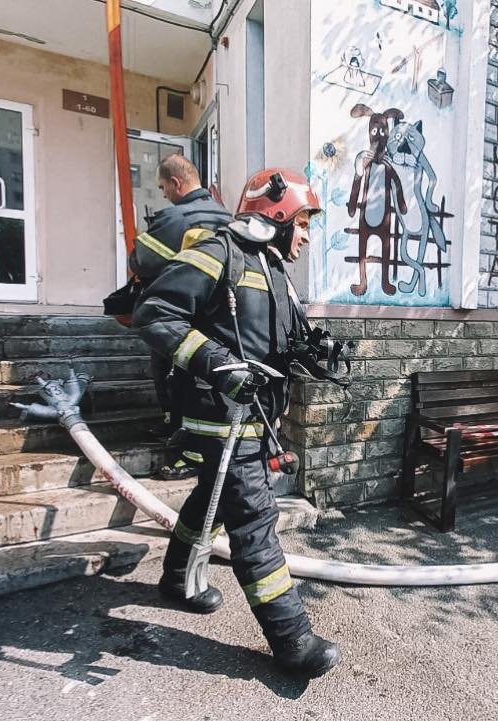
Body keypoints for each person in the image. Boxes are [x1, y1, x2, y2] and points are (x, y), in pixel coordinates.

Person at [132, 168, 341, 677]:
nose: (306, 236)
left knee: (212, 497)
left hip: (255, 417)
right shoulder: (219, 252)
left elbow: (271, 340)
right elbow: (155, 314)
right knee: (253, 521)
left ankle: (177, 578)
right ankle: (292, 640)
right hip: (220, 417)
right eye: (303, 224)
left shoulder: (273, 270)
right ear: (277, 216)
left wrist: (313, 351)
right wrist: (219, 365)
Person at [129, 154, 232, 481]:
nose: (163, 194)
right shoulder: (229, 218)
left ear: (175, 182)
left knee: (171, 374)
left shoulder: (174, 218)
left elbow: (141, 262)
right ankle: (192, 439)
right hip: (219, 319)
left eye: (163, 187)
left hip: (179, 314)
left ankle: (182, 437)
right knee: (206, 380)